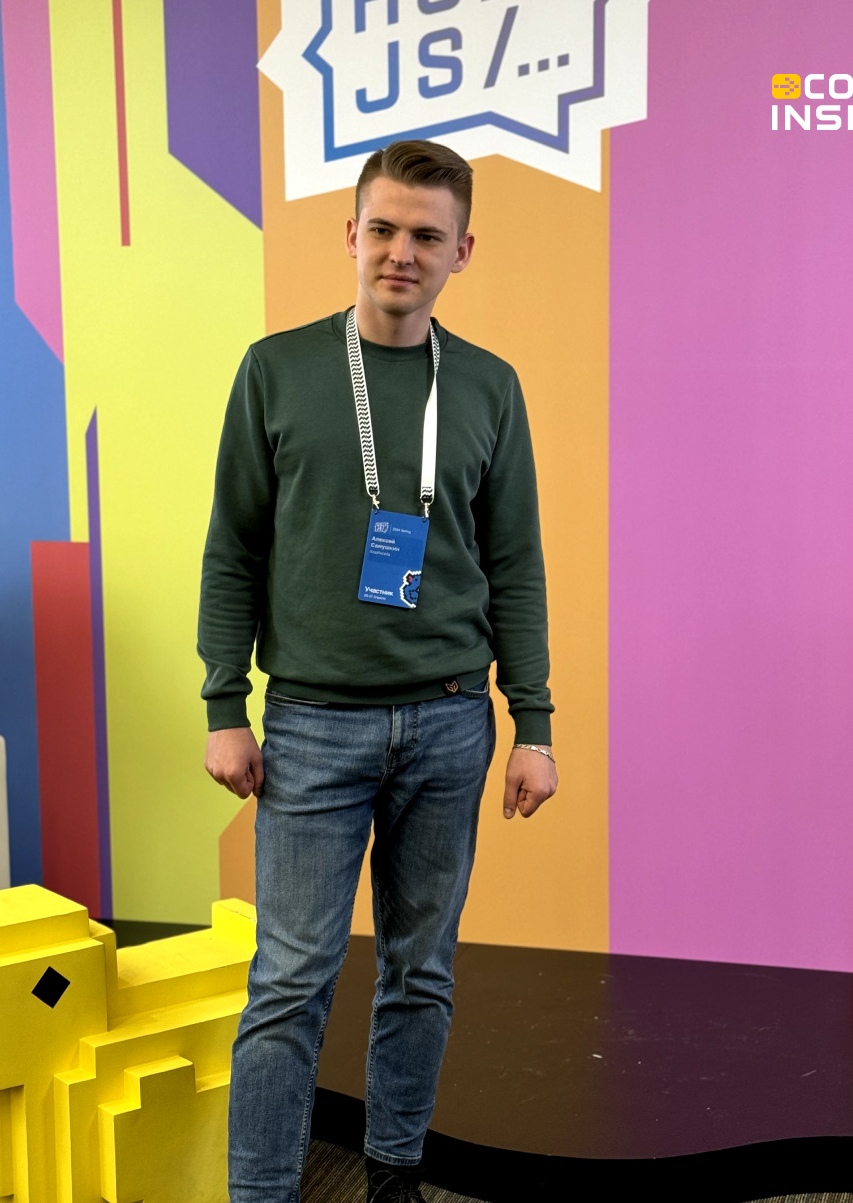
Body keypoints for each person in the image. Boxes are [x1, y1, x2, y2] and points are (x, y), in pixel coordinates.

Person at [198, 139, 557, 1203]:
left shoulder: (488, 386)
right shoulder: (276, 370)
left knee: (420, 971)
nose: (403, 252)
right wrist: (225, 703)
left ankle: (394, 1175)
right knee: (289, 980)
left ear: (461, 252)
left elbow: (515, 565)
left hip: (450, 723)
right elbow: (232, 550)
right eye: (385, 230)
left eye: (427, 237)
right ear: (351, 234)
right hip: (313, 724)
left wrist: (533, 724)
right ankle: (263, 1193)